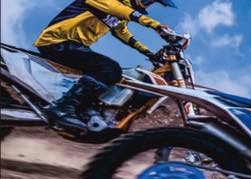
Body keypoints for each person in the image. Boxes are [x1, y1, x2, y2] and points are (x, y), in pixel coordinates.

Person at [34, 0, 178, 132]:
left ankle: (84, 109)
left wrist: (149, 53)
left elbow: (122, 33)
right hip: (57, 41)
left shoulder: (122, 12)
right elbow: (118, 9)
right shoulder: (112, 2)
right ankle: (63, 108)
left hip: (76, 45)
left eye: (151, 2)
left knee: (116, 75)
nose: (147, 4)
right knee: (109, 69)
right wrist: (155, 25)